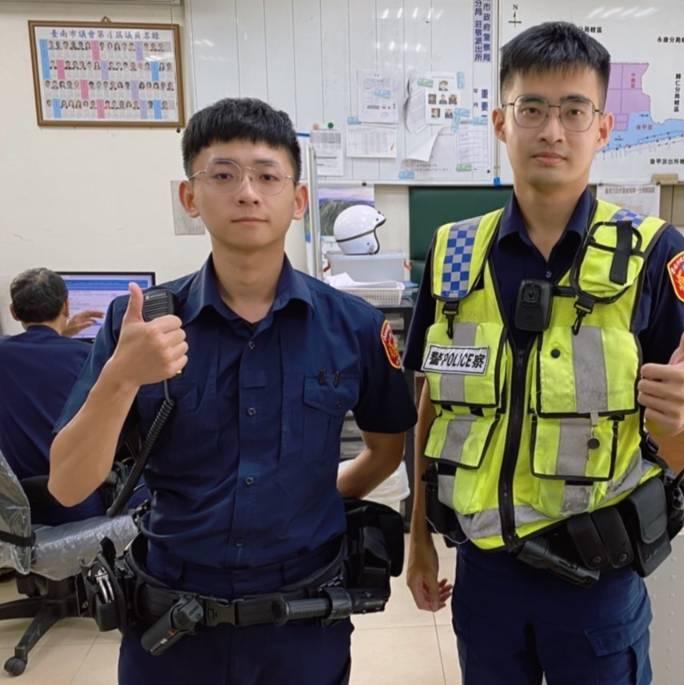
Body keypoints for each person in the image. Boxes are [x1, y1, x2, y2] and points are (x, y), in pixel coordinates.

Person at [49, 97, 417, 685]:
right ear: (190, 196)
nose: (247, 193)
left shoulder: (351, 326)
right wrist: (121, 378)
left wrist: (317, 499)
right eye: (223, 175)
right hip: (171, 625)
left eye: (268, 176)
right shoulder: (139, 324)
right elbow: (68, 486)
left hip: (303, 624)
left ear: (298, 200)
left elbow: (386, 448)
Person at [403, 22, 684, 685]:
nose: (552, 130)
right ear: (501, 122)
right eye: (532, 108)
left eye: (574, 110)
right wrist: (418, 538)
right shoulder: (453, 252)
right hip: (485, 571)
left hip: (595, 576)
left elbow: (678, 400)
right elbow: (432, 404)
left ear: (603, 129)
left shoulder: (652, 251)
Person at [0, 268, 104, 524]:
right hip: (79, 508)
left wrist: (62, 335)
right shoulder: (89, 359)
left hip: (15, 511)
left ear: (14, 312)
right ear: (66, 306)